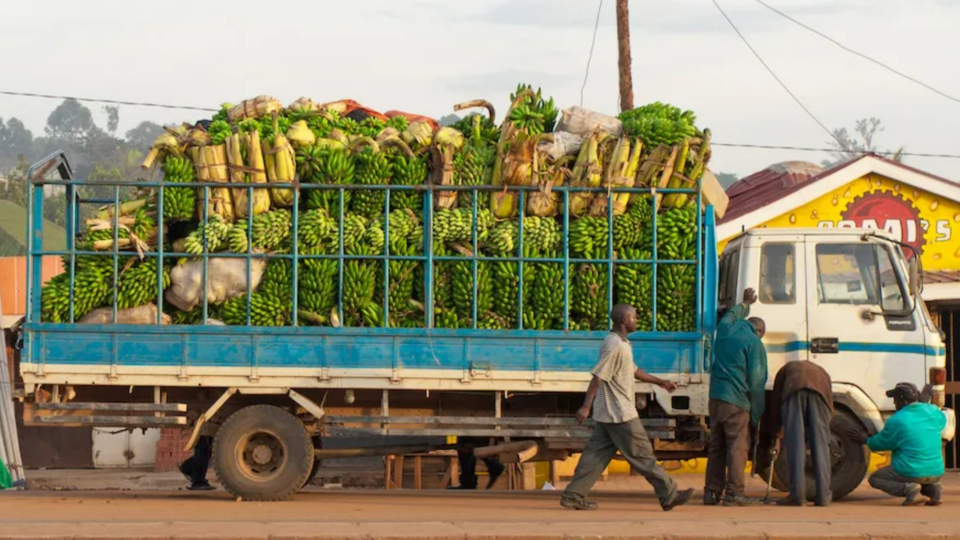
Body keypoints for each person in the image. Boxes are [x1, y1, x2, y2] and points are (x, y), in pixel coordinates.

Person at [560, 304, 695, 511]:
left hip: (608, 413)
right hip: (620, 412)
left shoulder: (620, 343)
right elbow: (598, 376)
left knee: (595, 456)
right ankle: (668, 494)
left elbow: (633, 370)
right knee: (642, 454)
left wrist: (660, 382)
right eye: (634, 317)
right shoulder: (616, 346)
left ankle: (572, 495)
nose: (636, 320)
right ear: (624, 320)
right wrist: (586, 406)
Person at [704, 288, 768, 507]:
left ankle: (711, 493)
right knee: (737, 448)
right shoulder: (754, 343)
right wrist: (756, 414)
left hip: (716, 399)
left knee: (717, 446)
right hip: (737, 403)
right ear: (758, 331)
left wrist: (745, 303)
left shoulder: (725, 329)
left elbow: (731, 315)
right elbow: (757, 381)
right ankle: (734, 494)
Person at [848, 382, 946, 506]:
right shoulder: (933, 412)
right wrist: (924, 405)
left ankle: (909, 489)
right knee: (921, 471)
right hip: (936, 471)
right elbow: (941, 422)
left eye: (895, 399)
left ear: (902, 400)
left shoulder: (897, 419)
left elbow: (881, 443)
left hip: (910, 470)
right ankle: (935, 489)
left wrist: (866, 440)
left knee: (875, 478)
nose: (894, 403)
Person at [760, 361, 833, 507]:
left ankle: (797, 496)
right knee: (820, 446)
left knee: (796, 445)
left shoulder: (784, 371)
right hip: (820, 395)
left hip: (793, 392)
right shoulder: (821, 371)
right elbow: (829, 403)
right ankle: (824, 496)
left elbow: (776, 404)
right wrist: (824, 429)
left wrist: (777, 436)